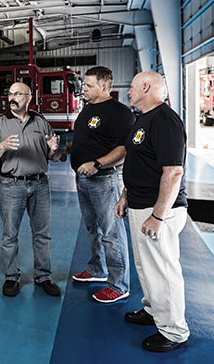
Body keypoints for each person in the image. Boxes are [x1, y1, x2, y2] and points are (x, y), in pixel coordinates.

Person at [114, 71, 189, 353]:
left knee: (164, 270)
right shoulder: (142, 119)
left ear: (146, 86)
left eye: (132, 87)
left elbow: (173, 171)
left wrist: (158, 216)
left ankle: (174, 331)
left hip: (158, 210)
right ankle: (154, 309)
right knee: (146, 267)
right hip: (139, 204)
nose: (129, 91)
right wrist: (125, 195)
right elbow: (136, 161)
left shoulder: (165, 121)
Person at [60, 66, 134, 303]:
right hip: (82, 179)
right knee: (93, 229)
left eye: (89, 85)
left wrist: (98, 164)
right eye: (84, 84)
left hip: (104, 179)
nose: (84, 89)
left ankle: (119, 284)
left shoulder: (119, 112)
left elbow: (124, 148)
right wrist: (65, 149)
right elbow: (85, 139)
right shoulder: (88, 109)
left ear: (104, 87)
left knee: (112, 233)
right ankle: (97, 269)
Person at [0, 82, 63, 297]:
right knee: (10, 234)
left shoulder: (41, 122)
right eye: (10, 93)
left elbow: (54, 157)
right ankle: (11, 277)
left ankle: (43, 276)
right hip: (11, 185)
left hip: (40, 184)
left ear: (29, 98)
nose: (12, 97)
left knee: (42, 234)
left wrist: (55, 150)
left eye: (17, 94)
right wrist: (1, 146)